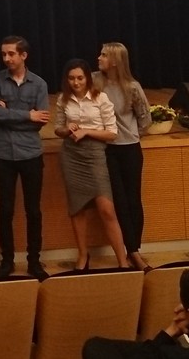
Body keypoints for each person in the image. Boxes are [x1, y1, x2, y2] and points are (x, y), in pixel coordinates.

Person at [55, 58, 129, 269]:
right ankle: (82, 255)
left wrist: (87, 131)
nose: (76, 82)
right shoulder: (63, 99)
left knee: (106, 209)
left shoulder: (101, 98)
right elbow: (58, 129)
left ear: (88, 78)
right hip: (71, 155)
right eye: (71, 78)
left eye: (80, 78)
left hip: (95, 154)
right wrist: (67, 129)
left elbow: (112, 133)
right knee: (77, 208)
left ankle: (122, 261)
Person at [0, 35, 50, 278]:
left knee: (33, 211)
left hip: (30, 153)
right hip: (3, 155)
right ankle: (7, 260)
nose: (6, 58)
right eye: (3, 54)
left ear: (24, 55)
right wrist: (26, 115)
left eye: (11, 54)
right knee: (5, 209)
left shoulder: (39, 84)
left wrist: (9, 113)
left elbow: (40, 121)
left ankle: (34, 261)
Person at [95, 41, 153, 270]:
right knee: (119, 200)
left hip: (130, 148)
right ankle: (131, 251)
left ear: (115, 61)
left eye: (103, 55)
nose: (99, 58)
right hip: (107, 149)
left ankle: (134, 249)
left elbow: (145, 119)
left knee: (133, 199)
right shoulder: (95, 81)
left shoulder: (132, 87)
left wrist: (131, 133)